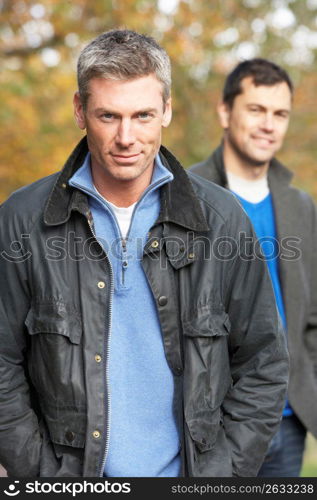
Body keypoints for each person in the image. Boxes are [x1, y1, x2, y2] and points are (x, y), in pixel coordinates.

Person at [0, 31, 288, 478]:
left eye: (143, 115)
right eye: (108, 116)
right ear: (80, 111)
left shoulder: (222, 220)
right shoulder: (22, 219)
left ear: (167, 111)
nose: (126, 137)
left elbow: (263, 362)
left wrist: (219, 477)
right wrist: (42, 476)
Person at [190, 58, 317, 477]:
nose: (269, 125)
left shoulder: (300, 207)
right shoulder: (186, 196)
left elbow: (311, 317)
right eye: (256, 110)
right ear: (226, 112)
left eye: (279, 113)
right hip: (212, 421)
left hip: (288, 419)